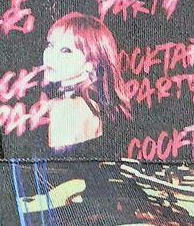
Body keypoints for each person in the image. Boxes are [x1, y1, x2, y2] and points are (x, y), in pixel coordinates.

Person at [42, 12, 131, 149]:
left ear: (91, 64)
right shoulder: (96, 107)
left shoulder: (66, 109)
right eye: (50, 45)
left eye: (66, 50)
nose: (50, 55)